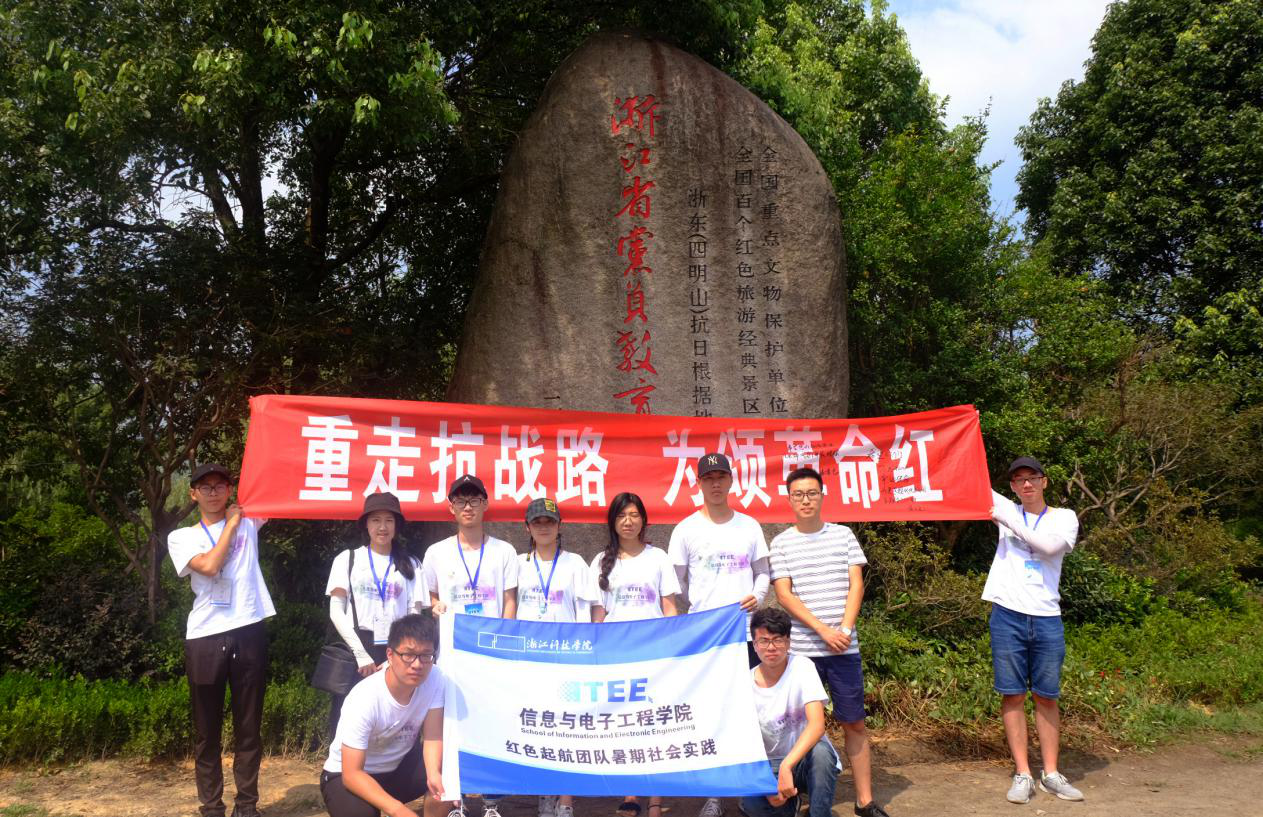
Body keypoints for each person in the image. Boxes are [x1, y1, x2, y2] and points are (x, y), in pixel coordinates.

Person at [769, 466, 889, 817]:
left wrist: (845, 630)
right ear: (789, 499)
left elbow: (856, 584)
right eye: (798, 494)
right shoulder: (781, 542)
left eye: (811, 493)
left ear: (822, 496)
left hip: (844, 648)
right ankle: (800, 795)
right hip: (803, 652)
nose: (805, 500)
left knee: (854, 722)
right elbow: (784, 595)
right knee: (801, 726)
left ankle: (864, 801)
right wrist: (823, 630)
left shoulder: (843, 535)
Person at [167, 463, 275, 817]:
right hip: (205, 636)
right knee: (207, 731)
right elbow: (211, 566)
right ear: (193, 493)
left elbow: (277, 484)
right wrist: (231, 523)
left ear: (230, 489)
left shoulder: (251, 521)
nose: (213, 492)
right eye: (205, 487)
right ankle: (211, 807)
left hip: (248, 629)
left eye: (220, 485)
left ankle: (247, 805)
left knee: (249, 728)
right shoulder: (182, 537)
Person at [668, 452, 771, 817]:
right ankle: (713, 795)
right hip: (706, 638)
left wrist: (757, 596)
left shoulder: (749, 526)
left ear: (730, 481)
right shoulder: (686, 529)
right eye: (708, 478)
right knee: (710, 713)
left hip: (745, 633)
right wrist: (700, 607)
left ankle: (749, 792)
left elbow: (763, 572)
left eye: (721, 477)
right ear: (698, 483)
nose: (715, 483)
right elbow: (677, 582)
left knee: (749, 712)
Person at [982, 457, 1083, 804]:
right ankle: (1023, 773)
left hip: (1046, 617)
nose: (1026, 484)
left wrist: (1006, 518)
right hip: (1007, 615)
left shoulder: (1064, 517)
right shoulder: (1008, 509)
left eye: (1032, 478)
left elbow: (1049, 547)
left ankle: (1051, 773)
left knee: (1046, 696)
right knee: (1012, 695)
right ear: (1011, 486)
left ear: (1044, 481)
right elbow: (969, 480)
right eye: (1018, 480)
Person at [421, 474, 517, 817]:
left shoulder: (504, 551)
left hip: (490, 655)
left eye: (474, 499)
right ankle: (456, 801)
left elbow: (509, 600)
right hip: (453, 654)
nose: (468, 506)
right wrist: (435, 607)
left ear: (485, 505)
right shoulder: (436, 553)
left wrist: (502, 646)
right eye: (460, 500)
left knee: (492, 722)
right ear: (451, 508)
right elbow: (430, 596)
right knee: (453, 723)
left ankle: (491, 802)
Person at [591, 492, 680, 817]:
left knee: (654, 723)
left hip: (654, 653)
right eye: (621, 516)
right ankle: (631, 793)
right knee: (626, 723)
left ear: (643, 519)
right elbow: (598, 615)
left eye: (633, 515)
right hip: (617, 654)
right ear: (612, 522)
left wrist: (673, 649)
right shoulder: (600, 561)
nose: (628, 521)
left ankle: (655, 798)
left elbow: (669, 608)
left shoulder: (659, 558)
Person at [320, 613, 456, 817]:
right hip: (347, 775)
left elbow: (433, 736)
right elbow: (352, 774)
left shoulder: (435, 678)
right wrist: (399, 810)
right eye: (408, 655)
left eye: (426, 655)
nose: (417, 664)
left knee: (450, 769)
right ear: (390, 655)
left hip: (397, 770)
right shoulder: (365, 697)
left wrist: (435, 774)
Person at [516, 497, 594, 817]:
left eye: (550, 521)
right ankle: (544, 794)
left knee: (567, 729)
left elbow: (587, 612)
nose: (544, 527)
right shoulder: (517, 564)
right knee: (538, 727)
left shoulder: (575, 563)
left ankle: (566, 800)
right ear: (528, 527)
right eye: (537, 522)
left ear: (560, 525)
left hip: (566, 659)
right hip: (529, 659)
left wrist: (586, 653)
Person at [325, 491, 424, 738]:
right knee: (348, 715)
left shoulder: (411, 564)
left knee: (393, 716)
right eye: (376, 520)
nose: (383, 527)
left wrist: (397, 656)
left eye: (389, 520)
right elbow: (336, 610)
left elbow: (414, 614)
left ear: (397, 525)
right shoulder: (348, 559)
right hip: (357, 646)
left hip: (398, 648)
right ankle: (342, 763)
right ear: (366, 524)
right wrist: (360, 654)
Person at [741, 607, 840, 817]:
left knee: (822, 754)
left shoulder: (802, 667)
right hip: (767, 764)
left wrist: (787, 766)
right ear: (754, 645)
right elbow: (744, 743)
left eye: (777, 640)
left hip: (803, 759)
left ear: (788, 642)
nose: (771, 647)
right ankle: (789, 805)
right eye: (763, 641)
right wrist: (766, 784)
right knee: (752, 806)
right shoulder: (744, 683)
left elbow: (817, 725)